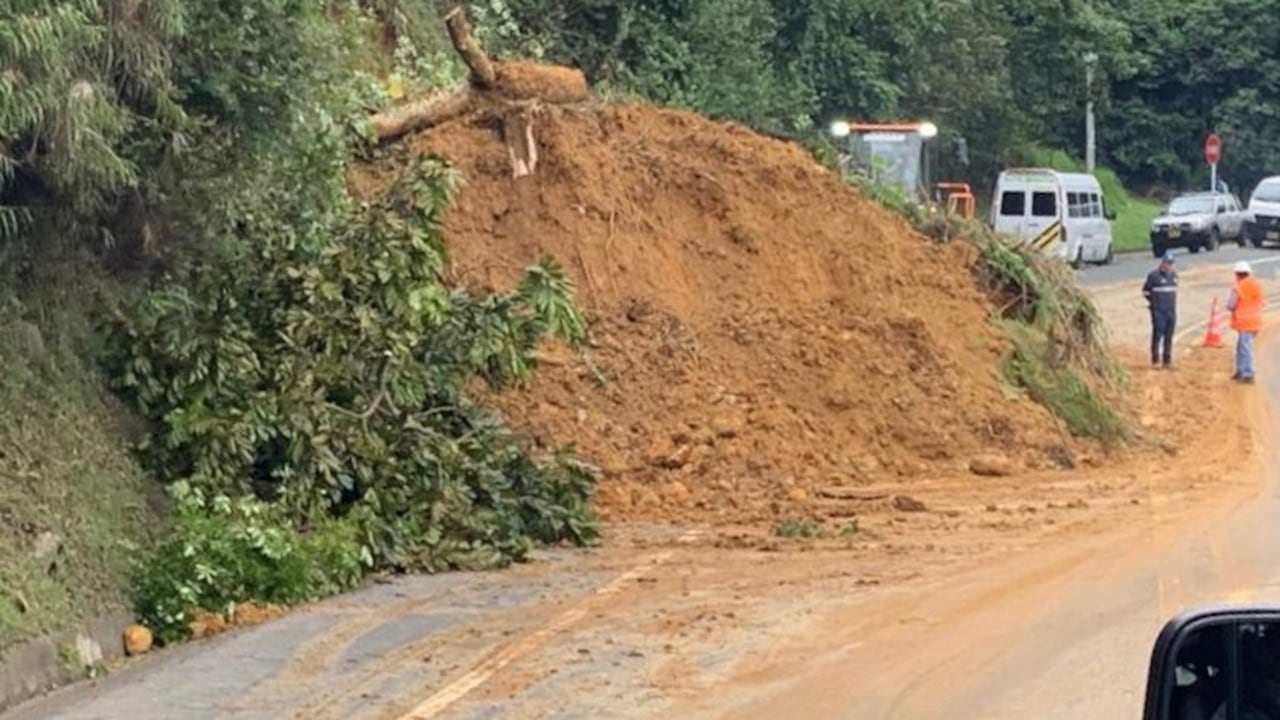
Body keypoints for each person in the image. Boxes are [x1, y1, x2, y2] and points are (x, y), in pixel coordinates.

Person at [1227, 260, 1264, 383]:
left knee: (1245, 348)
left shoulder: (1238, 286)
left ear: (1237, 274)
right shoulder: (1257, 284)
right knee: (1242, 347)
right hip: (1256, 321)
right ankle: (1240, 371)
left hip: (1244, 322)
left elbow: (1231, 305)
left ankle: (1247, 373)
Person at [1143, 251, 1179, 368]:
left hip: (1171, 311)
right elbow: (1146, 292)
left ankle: (1167, 361)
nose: (1168, 266)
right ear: (1162, 263)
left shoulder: (1174, 276)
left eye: (1170, 263)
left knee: (1169, 335)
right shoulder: (1153, 276)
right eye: (1167, 263)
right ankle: (1155, 360)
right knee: (1158, 334)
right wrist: (1154, 302)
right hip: (1158, 311)